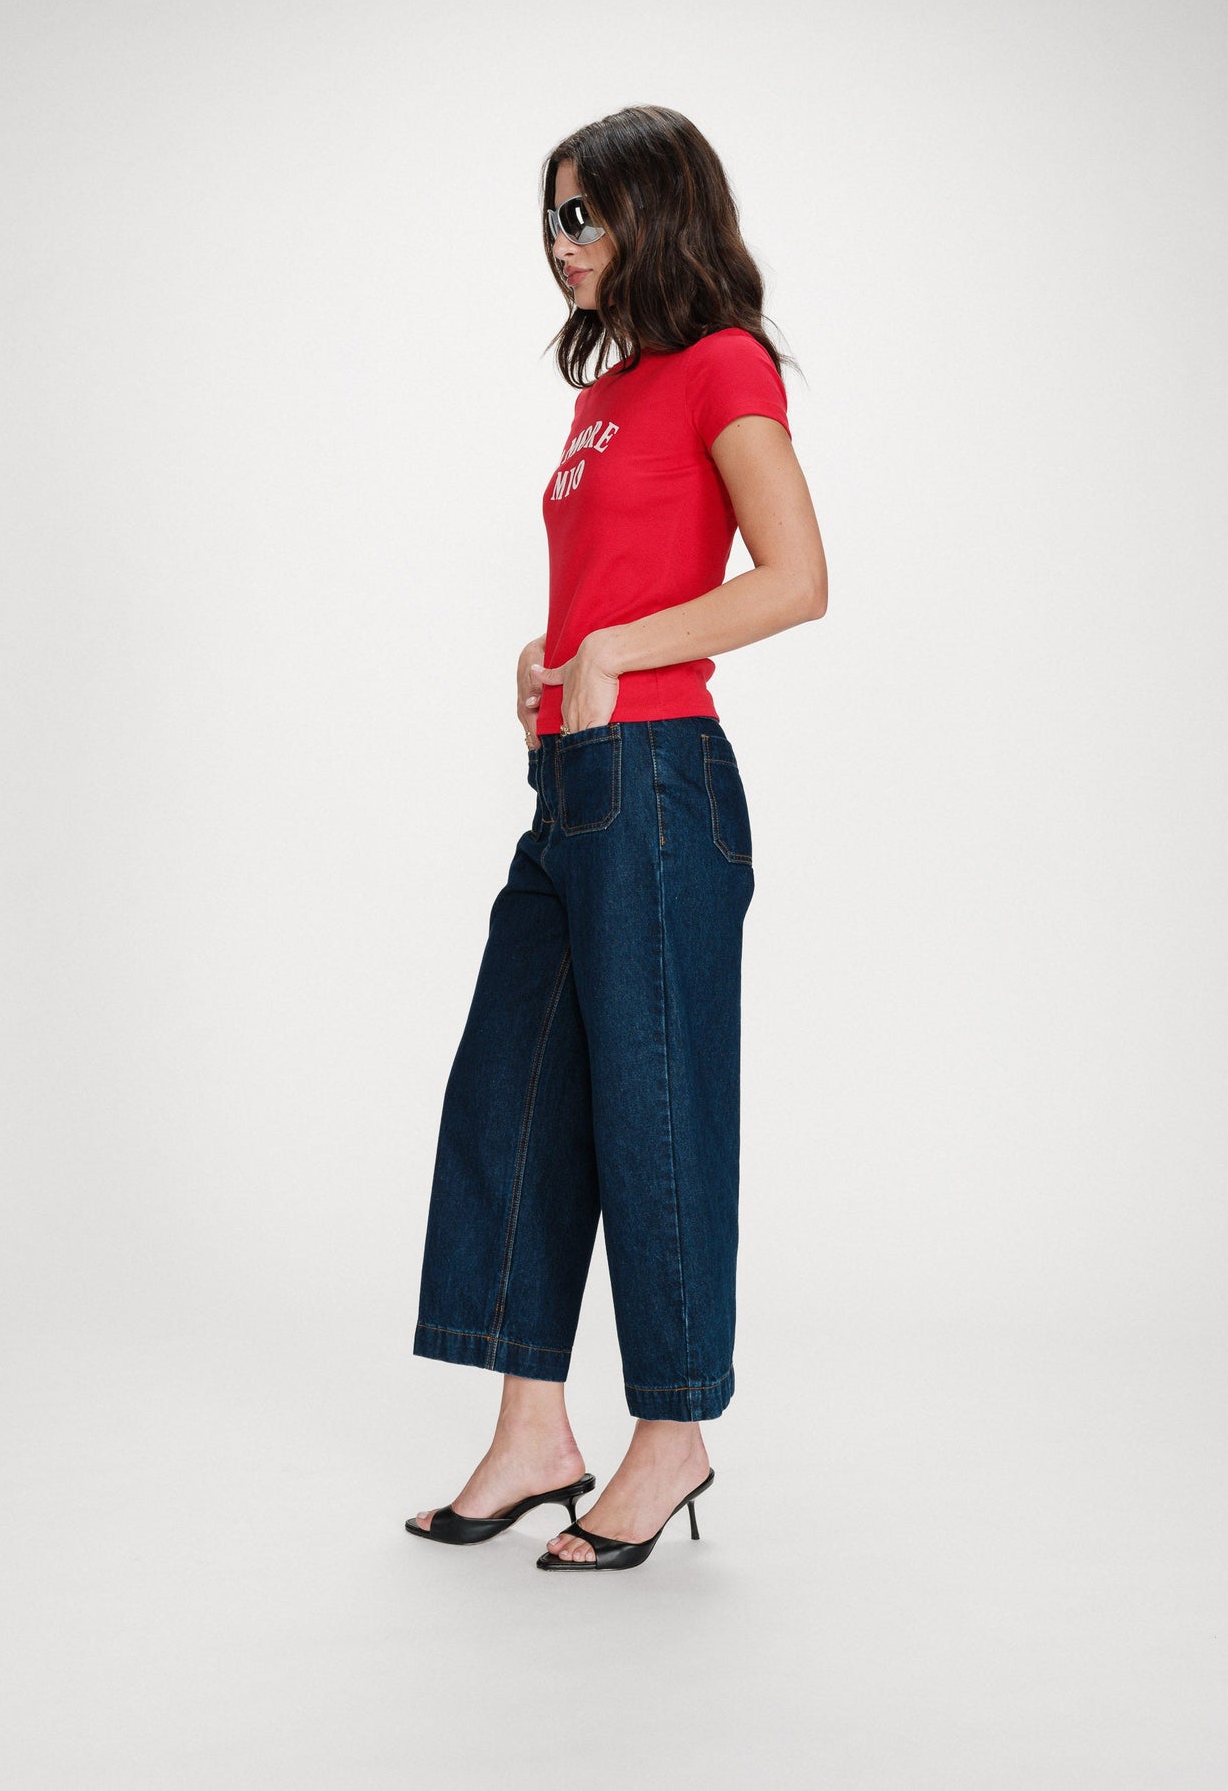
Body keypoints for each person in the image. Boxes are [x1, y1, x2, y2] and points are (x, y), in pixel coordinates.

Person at [406, 105, 828, 1572]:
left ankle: (671, 1434)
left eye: (586, 216)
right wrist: (549, 648)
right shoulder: (601, 397)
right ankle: (535, 1427)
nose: (561, 242)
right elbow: (609, 586)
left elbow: (794, 577)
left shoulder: (725, 363)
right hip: (570, 781)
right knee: (514, 1094)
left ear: (661, 213)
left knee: (654, 1110)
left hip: (656, 784)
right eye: (551, 217)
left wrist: (619, 651)